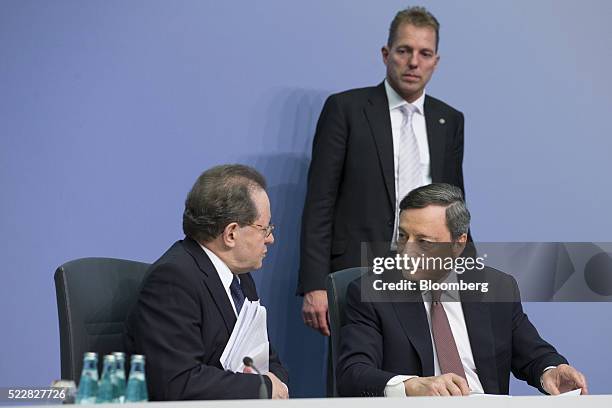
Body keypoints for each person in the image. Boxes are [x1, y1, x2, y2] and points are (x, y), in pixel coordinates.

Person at [299, 6, 466, 338]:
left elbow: (455, 207)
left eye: (424, 53)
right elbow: (320, 201)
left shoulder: (449, 120)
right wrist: (314, 284)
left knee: (423, 373)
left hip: (427, 269)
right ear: (386, 53)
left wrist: (468, 276)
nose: (413, 62)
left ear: (436, 61)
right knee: (355, 375)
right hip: (357, 270)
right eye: (404, 50)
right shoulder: (345, 109)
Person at [336, 183, 588, 397]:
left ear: (459, 243)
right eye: (403, 236)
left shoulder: (496, 288)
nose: (407, 251)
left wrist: (551, 370)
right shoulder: (372, 292)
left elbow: (533, 355)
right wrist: (413, 385)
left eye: (423, 241)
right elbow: (353, 372)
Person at [125, 165, 289, 400]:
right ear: (231, 233)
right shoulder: (173, 280)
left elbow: (268, 360)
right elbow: (178, 383)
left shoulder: (241, 279)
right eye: (264, 229)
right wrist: (262, 387)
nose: (271, 239)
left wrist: (277, 383)